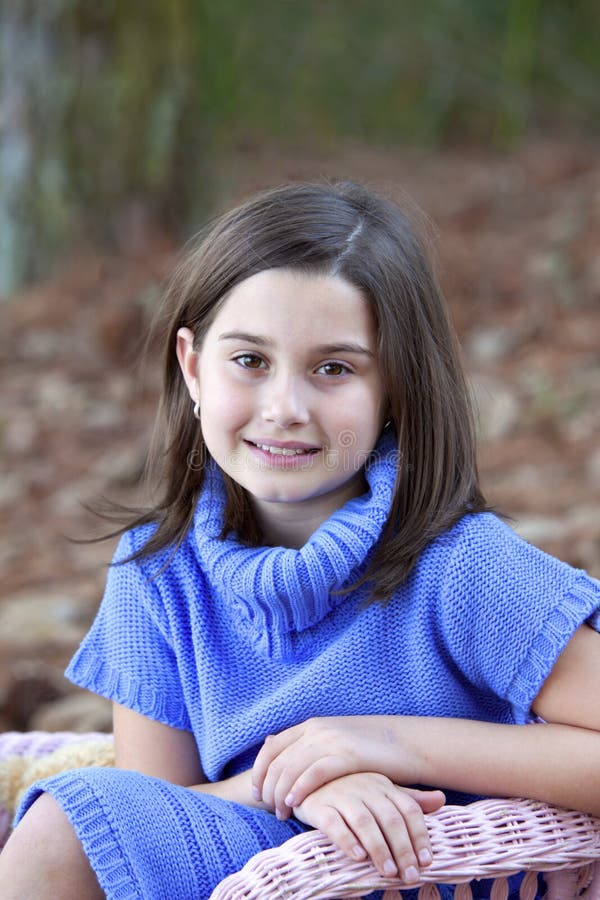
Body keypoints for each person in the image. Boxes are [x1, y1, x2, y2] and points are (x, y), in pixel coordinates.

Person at [0, 181, 598, 900]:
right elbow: (153, 813)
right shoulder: (157, 573)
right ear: (193, 366)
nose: (284, 408)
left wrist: (387, 744)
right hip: (249, 856)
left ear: (396, 391)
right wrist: (293, 783)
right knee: (74, 826)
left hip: (427, 866)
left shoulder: (460, 565)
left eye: (334, 368)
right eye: (250, 361)